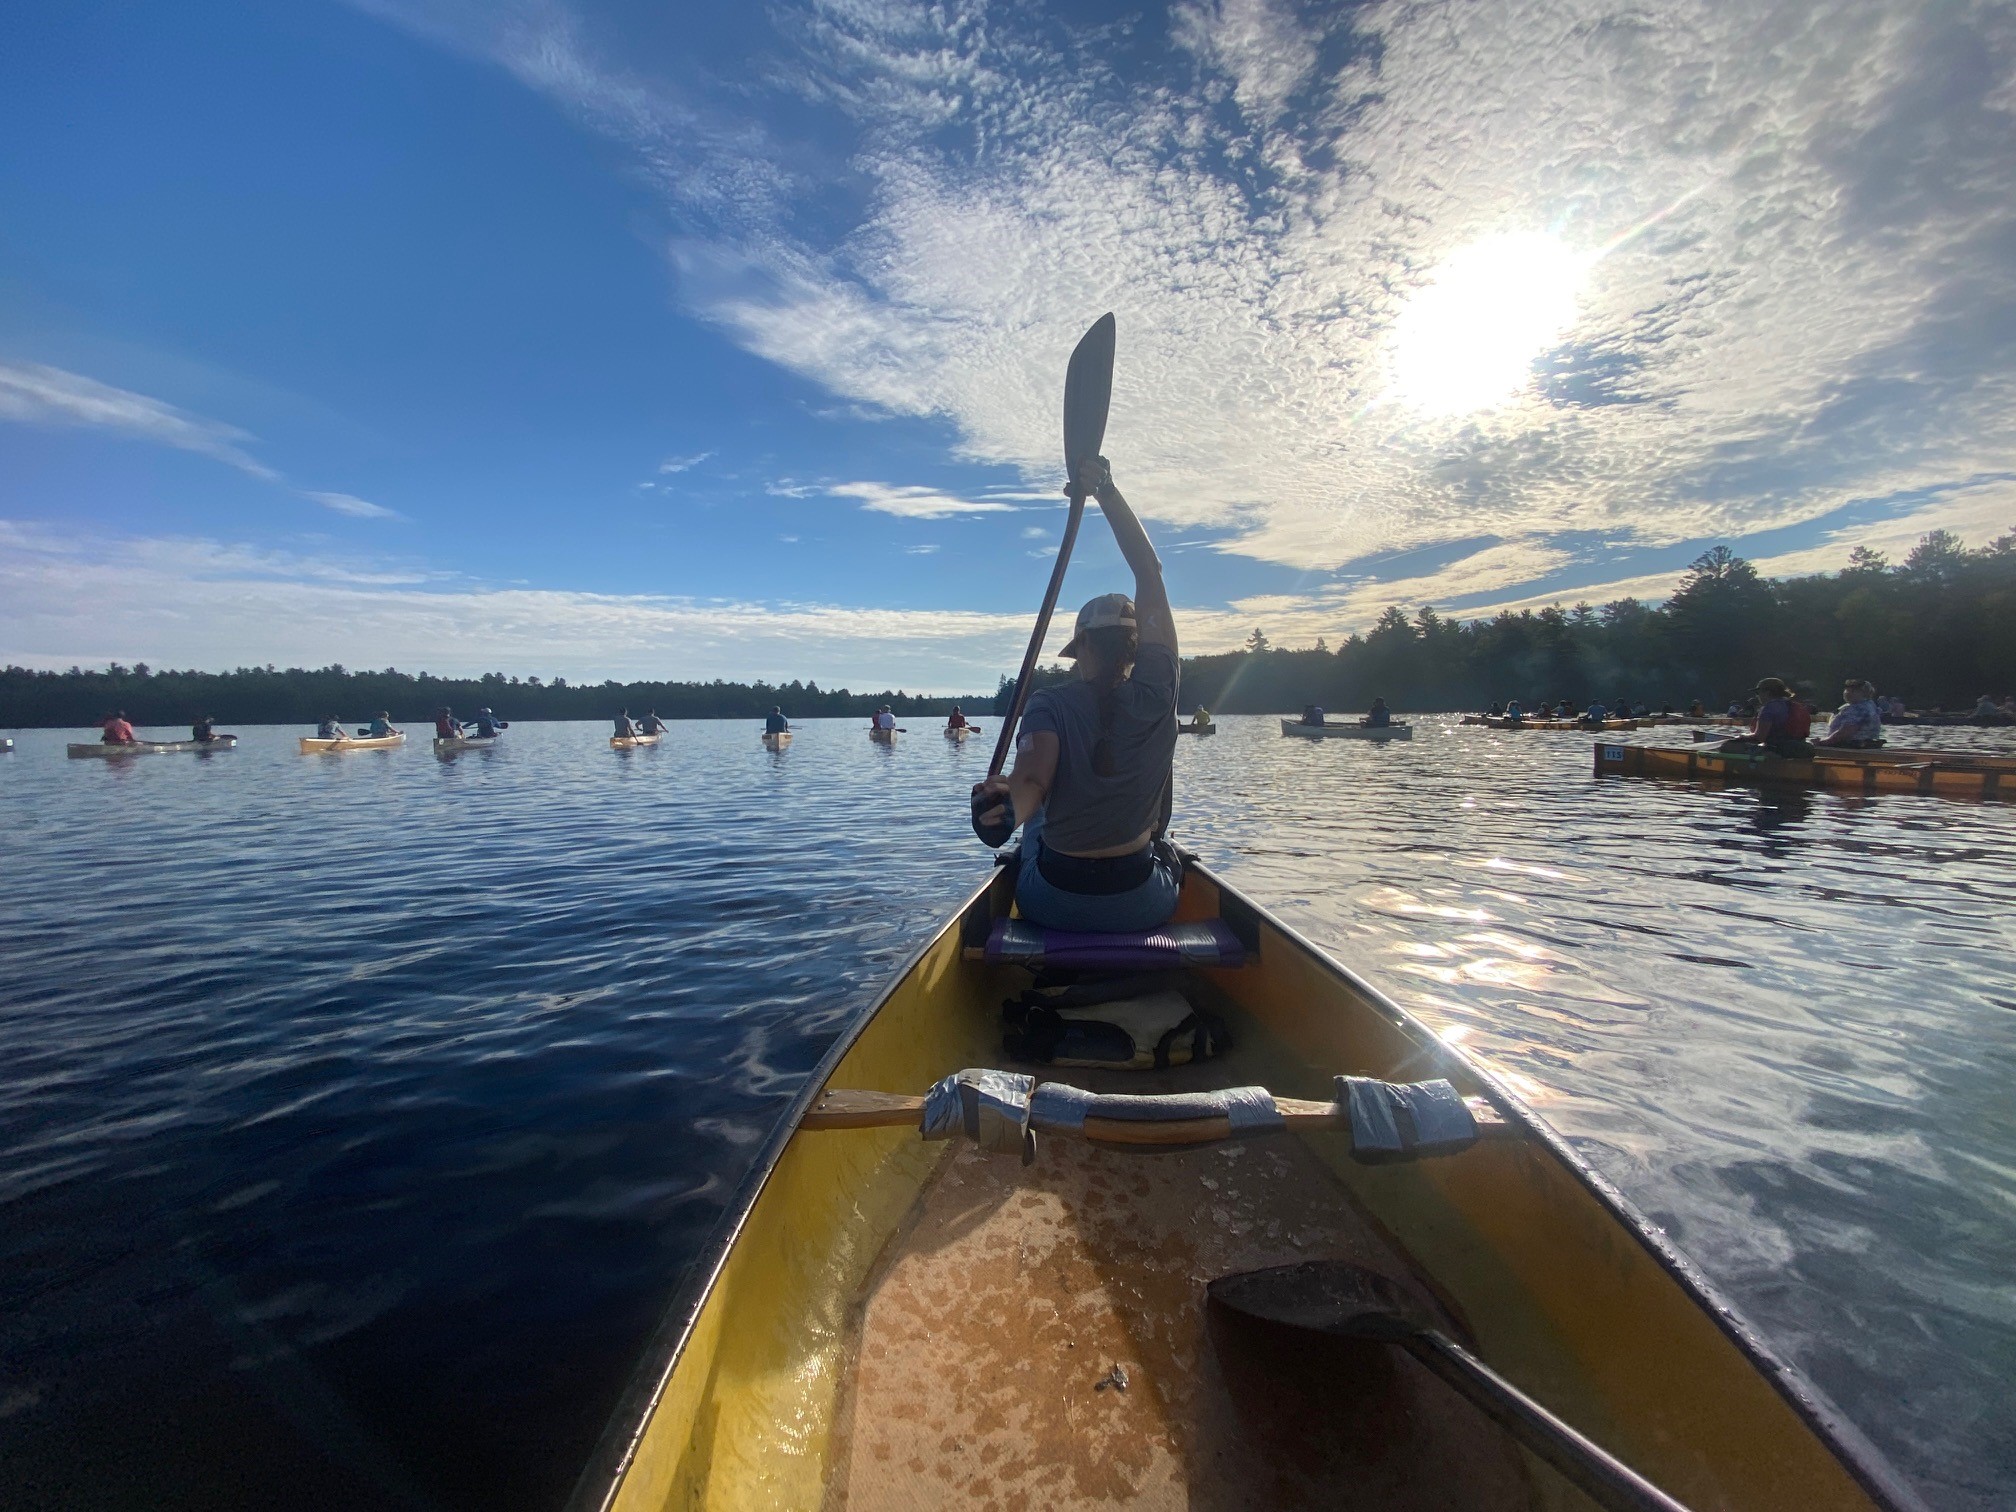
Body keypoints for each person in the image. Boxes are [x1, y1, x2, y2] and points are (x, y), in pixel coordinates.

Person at [970, 456, 1179, 933]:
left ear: (1081, 645)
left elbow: (1033, 784)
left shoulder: (1049, 703)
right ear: (1137, 647)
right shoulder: (1159, 688)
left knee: (1039, 824)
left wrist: (1006, 818)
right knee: (1161, 838)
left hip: (1056, 902)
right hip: (1143, 902)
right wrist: (1106, 488)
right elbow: (1150, 571)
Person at [1722, 677, 1811, 757]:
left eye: (1758, 692)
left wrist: (1742, 736)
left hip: (1777, 750)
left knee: (1727, 746)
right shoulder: (1795, 705)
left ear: (1767, 693)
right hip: (1800, 749)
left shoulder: (1769, 708)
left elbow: (1759, 738)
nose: (1757, 696)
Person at [1817, 679, 1883, 748]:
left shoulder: (1859, 708)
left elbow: (1846, 732)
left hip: (1854, 746)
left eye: (1853, 691)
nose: (1847, 693)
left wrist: (1823, 742)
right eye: (1846, 690)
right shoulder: (1868, 704)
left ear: (1864, 693)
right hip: (1858, 745)